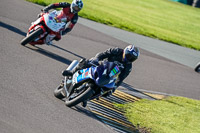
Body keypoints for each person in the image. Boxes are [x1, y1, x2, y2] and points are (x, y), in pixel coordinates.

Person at [62, 44, 140, 107]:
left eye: (132, 58)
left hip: (109, 76)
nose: (129, 59)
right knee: (85, 62)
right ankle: (72, 72)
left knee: (106, 91)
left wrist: (114, 88)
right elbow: (103, 54)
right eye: (129, 56)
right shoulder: (117, 51)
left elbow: (121, 78)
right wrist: (97, 58)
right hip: (101, 66)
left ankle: (86, 98)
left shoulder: (128, 67)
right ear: (125, 51)